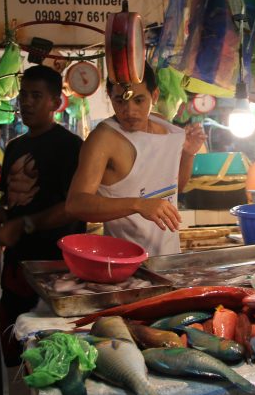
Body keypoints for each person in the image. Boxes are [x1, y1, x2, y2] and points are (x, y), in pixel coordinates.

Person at [0, 65, 84, 366]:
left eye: (36, 96)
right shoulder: (15, 146)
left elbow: (74, 205)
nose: (26, 102)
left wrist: (24, 224)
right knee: (14, 346)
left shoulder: (72, 148)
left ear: (56, 103)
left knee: (54, 350)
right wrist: (2, 213)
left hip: (58, 269)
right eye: (23, 95)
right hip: (17, 266)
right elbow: (11, 199)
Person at [66, 62, 205, 256]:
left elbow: (175, 189)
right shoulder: (103, 139)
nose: (130, 111)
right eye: (120, 101)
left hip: (168, 259)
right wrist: (138, 204)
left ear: (154, 96)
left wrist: (188, 154)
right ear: (110, 98)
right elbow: (76, 204)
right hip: (124, 261)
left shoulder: (165, 127)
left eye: (139, 100)